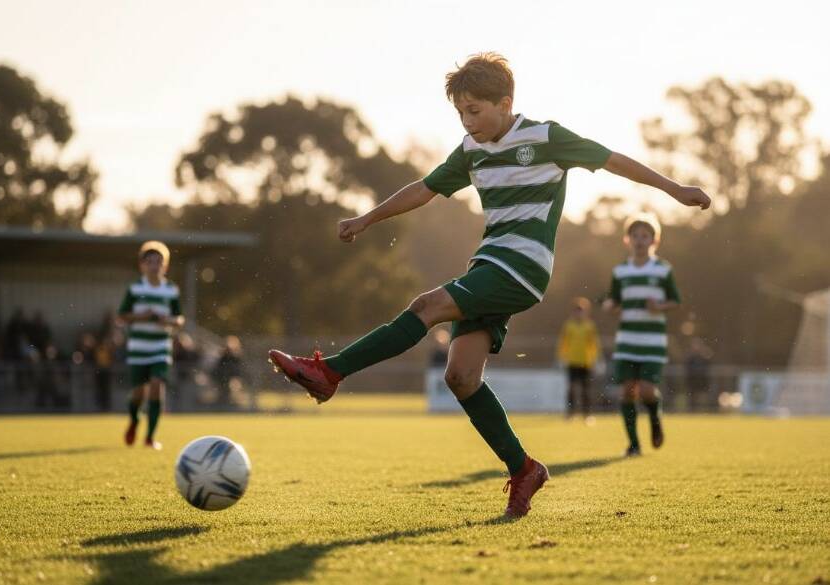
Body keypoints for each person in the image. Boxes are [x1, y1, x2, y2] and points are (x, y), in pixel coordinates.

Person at [269, 53, 711, 518]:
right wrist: (366, 218)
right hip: (489, 264)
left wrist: (676, 190)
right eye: (460, 112)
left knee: (426, 305)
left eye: (475, 110)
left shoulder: (545, 137)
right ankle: (525, 469)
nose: (467, 121)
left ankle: (330, 372)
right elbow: (424, 187)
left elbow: (613, 160)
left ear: (506, 102)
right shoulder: (470, 150)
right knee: (460, 377)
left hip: (523, 266)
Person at [603, 213, 681, 457]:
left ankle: (655, 417)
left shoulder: (662, 270)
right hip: (627, 341)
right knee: (627, 391)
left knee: (647, 390)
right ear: (627, 240)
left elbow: (675, 301)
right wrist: (609, 306)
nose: (639, 240)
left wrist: (659, 307)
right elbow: (613, 302)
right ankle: (634, 445)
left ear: (654, 241)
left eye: (645, 236)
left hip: (653, 342)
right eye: (635, 235)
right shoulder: (620, 272)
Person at [117, 241, 184, 449]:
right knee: (139, 393)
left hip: (160, 347)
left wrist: (169, 321)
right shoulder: (135, 288)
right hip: (138, 347)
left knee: (156, 386)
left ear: (165, 265)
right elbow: (121, 316)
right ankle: (135, 421)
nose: (154, 265)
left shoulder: (171, 290)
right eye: (150, 262)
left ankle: (149, 437)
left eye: (159, 261)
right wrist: (142, 316)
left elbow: (180, 318)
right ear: (142, 265)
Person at [557, 297, 600, 421]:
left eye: (581, 310)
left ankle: (587, 415)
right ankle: (570, 413)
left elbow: (594, 344)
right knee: (571, 388)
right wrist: (562, 357)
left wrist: (596, 359)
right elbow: (563, 343)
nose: (579, 312)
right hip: (572, 361)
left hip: (586, 362)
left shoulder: (590, 326)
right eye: (577, 310)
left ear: (586, 311)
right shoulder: (568, 325)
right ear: (573, 311)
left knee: (586, 390)